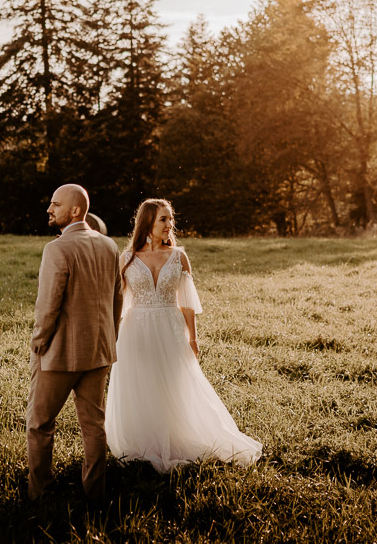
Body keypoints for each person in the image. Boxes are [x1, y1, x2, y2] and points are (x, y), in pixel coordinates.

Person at [105, 198, 262, 472]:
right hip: (136, 330)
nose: (170, 224)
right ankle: (145, 442)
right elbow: (116, 302)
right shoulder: (127, 258)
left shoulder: (179, 257)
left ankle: (176, 437)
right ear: (148, 223)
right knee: (141, 385)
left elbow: (187, 303)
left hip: (170, 327)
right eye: (163, 219)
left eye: (171, 218)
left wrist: (193, 338)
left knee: (175, 384)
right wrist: (111, 337)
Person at [27, 184, 123, 501]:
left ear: (75, 210)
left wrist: (39, 341)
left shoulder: (57, 249)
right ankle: (95, 495)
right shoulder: (109, 245)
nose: (49, 209)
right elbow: (117, 299)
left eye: (55, 204)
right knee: (94, 426)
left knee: (40, 424)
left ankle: (40, 495)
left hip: (60, 354)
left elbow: (48, 305)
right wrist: (110, 338)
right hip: (99, 351)